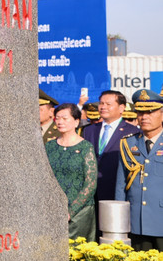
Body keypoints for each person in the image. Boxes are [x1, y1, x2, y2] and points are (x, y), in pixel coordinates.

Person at [115, 89, 163, 251]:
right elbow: (121, 185)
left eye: (150, 112)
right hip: (137, 221)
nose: (144, 117)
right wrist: (119, 219)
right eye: (140, 113)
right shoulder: (128, 143)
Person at [44, 103, 97, 242]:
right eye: (58, 118)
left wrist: (71, 211)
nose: (60, 121)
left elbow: (90, 183)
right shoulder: (49, 146)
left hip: (79, 212)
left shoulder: (85, 147)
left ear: (76, 121)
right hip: (52, 210)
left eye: (65, 118)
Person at [80, 90, 140, 207]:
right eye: (101, 103)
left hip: (116, 192)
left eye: (108, 104)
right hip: (90, 195)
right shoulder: (89, 130)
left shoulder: (133, 132)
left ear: (121, 108)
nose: (103, 107)